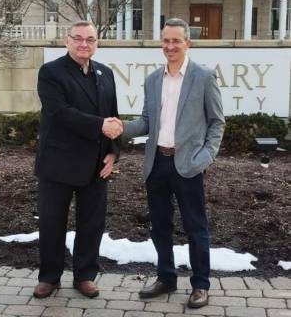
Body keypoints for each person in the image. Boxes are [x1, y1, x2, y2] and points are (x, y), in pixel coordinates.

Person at [106, 17, 225, 308]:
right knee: (159, 226)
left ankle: (200, 285)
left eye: (176, 41)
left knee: (196, 227)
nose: (170, 46)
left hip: (188, 165)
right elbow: (147, 121)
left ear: (188, 43)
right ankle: (166, 278)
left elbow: (217, 123)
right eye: (166, 41)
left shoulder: (204, 77)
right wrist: (121, 127)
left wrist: (205, 157)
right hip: (156, 162)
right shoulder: (153, 80)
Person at [33, 21, 122, 299]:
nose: (85, 44)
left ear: (97, 43)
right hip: (58, 163)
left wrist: (113, 151)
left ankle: (85, 275)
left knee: (92, 223)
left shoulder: (105, 73)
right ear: (66, 41)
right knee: (51, 223)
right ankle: (49, 277)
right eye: (78, 38)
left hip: (95, 165)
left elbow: (113, 115)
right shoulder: (51, 72)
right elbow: (60, 112)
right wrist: (100, 126)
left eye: (91, 39)